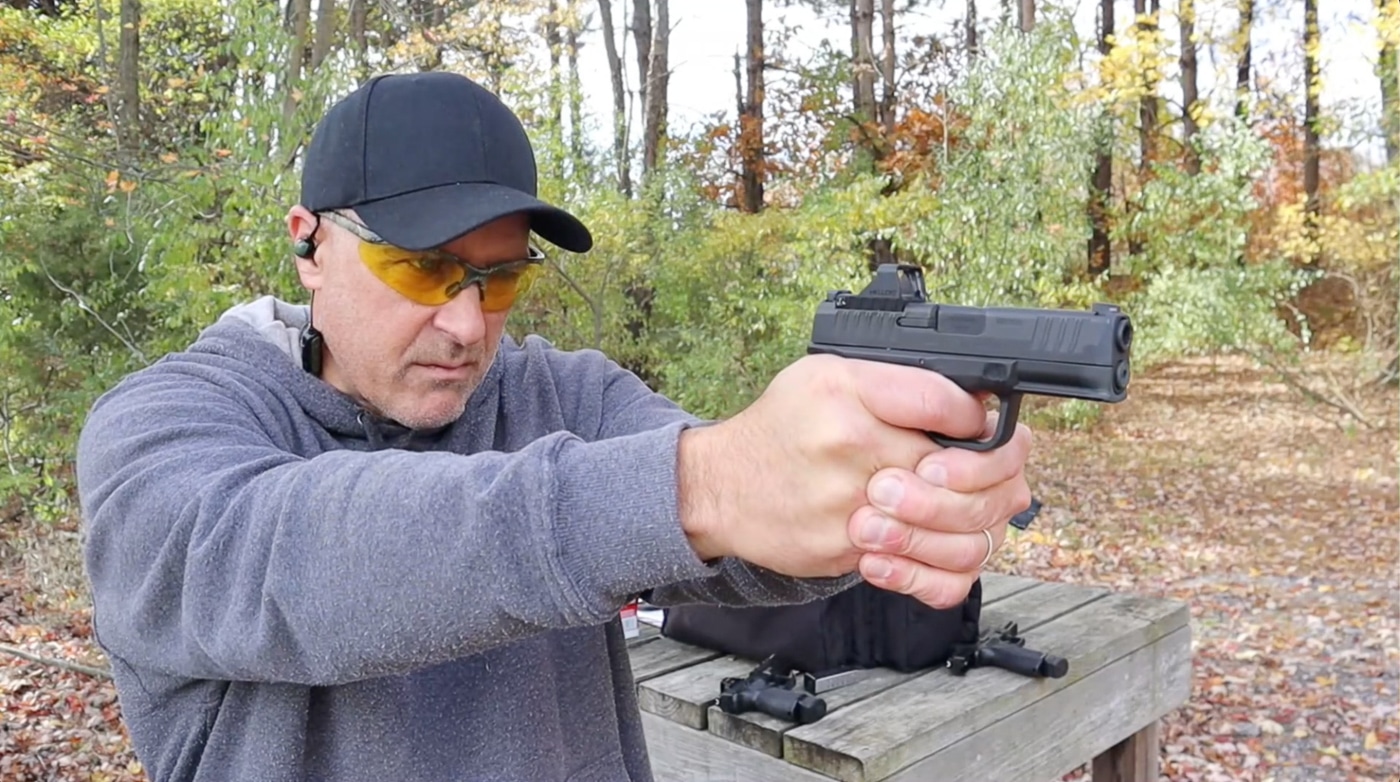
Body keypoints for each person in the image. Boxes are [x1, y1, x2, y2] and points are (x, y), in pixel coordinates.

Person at [75, 71, 1033, 782]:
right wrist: (699, 485)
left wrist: (880, 495)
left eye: (500, 277)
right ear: (309, 245)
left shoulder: (565, 395)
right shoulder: (162, 429)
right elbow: (292, 558)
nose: (465, 323)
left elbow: (737, 549)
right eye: (421, 267)